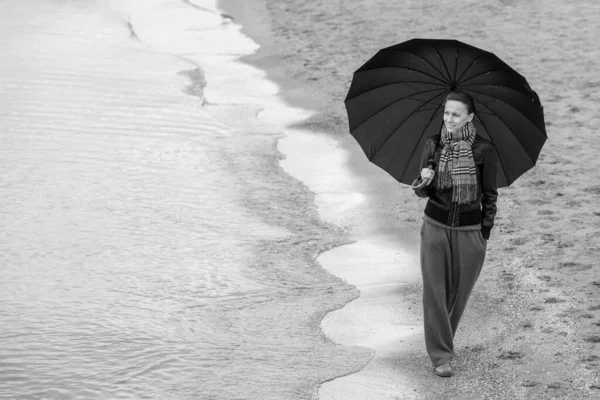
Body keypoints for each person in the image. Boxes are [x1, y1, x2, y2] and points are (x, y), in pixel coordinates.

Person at [412, 91, 498, 377]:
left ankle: (443, 341)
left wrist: (484, 232)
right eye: (446, 113)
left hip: (470, 231)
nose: (449, 119)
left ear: (469, 117)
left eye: (456, 114)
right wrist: (424, 181)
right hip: (435, 226)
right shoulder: (433, 145)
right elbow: (423, 191)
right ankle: (441, 356)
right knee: (435, 293)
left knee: (458, 295)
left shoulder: (484, 149)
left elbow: (490, 195)